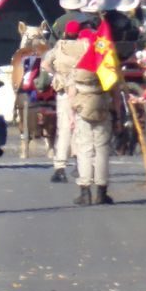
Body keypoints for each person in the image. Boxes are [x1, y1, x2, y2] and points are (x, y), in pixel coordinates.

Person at [68, 32, 122, 205]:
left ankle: (85, 191)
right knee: (102, 150)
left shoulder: (78, 67)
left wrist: (72, 116)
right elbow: (116, 93)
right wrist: (118, 116)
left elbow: (71, 93)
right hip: (103, 108)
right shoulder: (105, 65)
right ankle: (101, 191)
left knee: (84, 149)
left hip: (82, 110)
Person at [42, 19, 87, 182]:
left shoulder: (59, 46)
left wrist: (56, 74)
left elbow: (45, 64)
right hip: (82, 91)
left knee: (64, 129)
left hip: (64, 91)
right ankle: (81, 164)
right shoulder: (85, 46)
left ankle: (60, 167)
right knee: (81, 128)